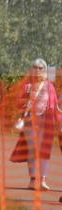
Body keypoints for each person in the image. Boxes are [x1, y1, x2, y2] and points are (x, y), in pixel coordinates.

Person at [10, 58, 61, 191]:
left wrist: (59, 122)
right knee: (32, 150)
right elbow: (17, 103)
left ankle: (43, 180)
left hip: (46, 122)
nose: (37, 70)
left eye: (40, 68)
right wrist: (24, 101)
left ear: (44, 70)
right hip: (30, 123)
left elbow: (55, 106)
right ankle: (33, 180)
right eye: (35, 67)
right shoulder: (27, 86)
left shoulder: (50, 86)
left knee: (44, 150)